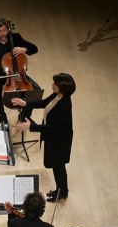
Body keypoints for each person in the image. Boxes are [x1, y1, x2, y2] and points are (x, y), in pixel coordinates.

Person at [13, 73, 75, 202]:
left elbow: (52, 127)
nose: (52, 85)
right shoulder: (57, 96)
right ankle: (61, 190)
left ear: (62, 88)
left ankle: (62, 192)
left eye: (55, 84)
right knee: (57, 166)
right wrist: (25, 103)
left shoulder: (65, 105)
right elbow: (43, 103)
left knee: (58, 166)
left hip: (59, 140)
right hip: (54, 137)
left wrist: (30, 127)